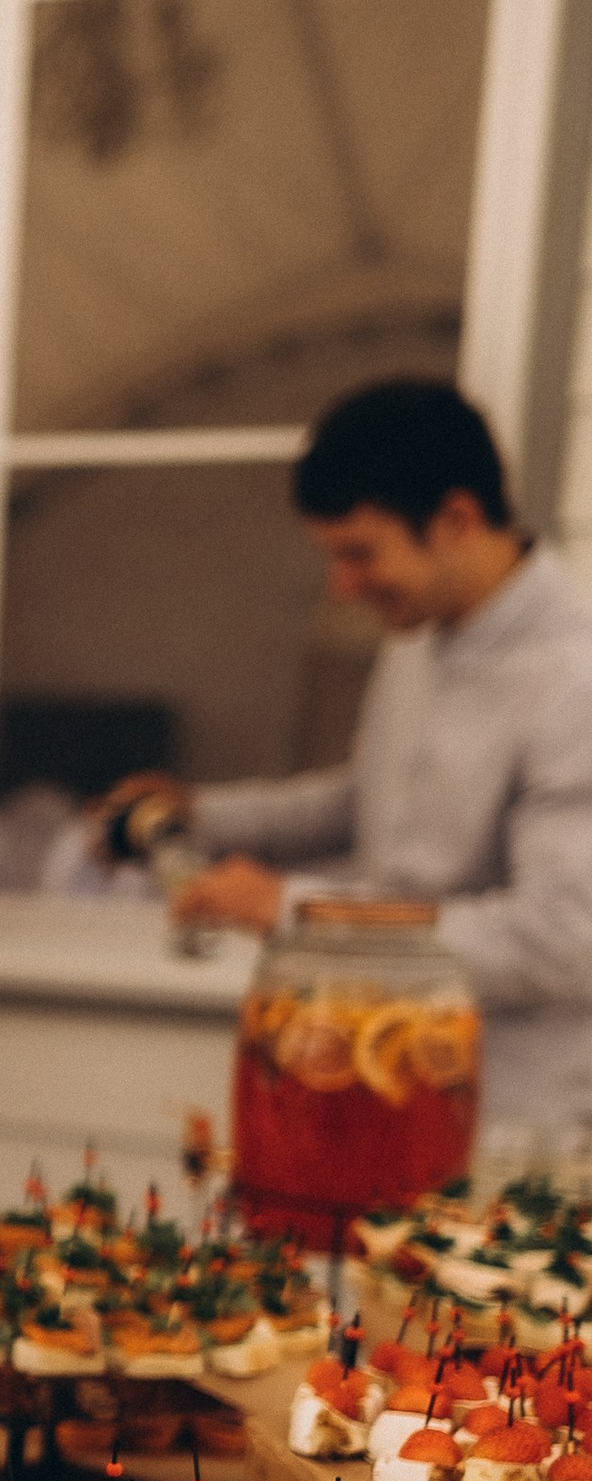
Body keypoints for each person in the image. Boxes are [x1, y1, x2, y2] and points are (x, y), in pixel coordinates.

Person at [113, 376, 592, 1134]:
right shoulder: (422, 631)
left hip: (511, 1132)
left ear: (457, 519)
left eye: (360, 554)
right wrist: (201, 818)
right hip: (373, 1087)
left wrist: (298, 913)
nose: (342, 589)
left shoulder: (576, 679)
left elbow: (564, 939)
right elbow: (367, 802)